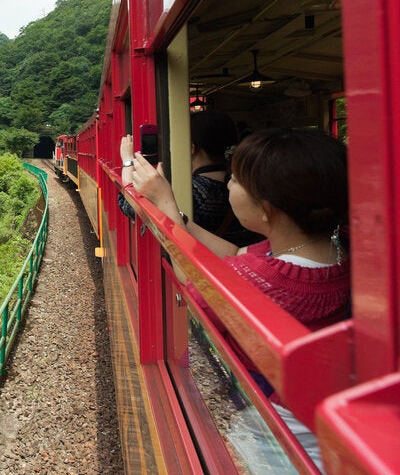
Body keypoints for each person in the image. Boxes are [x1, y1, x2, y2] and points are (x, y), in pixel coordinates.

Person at [123, 127, 350, 470]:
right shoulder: (336, 250)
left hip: (281, 435)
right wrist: (176, 214)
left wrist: (164, 203)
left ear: (265, 210)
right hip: (324, 424)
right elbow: (232, 252)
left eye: (236, 180)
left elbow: (192, 280)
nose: (227, 183)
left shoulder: (263, 279)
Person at [119, 110, 260, 247]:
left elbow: (129, 207)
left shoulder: (194, 191)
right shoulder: (244, 183)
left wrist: (128, 161)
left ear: (191, 148)